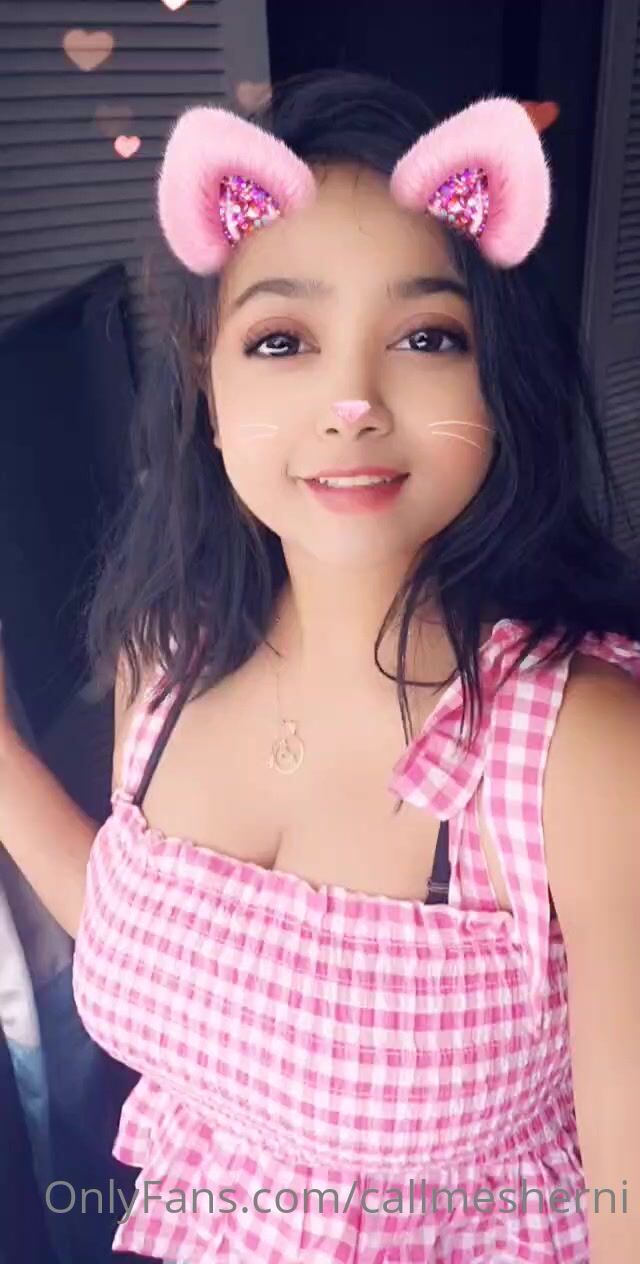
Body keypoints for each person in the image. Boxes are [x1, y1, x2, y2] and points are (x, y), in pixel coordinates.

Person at [1, 67, 640, 1264]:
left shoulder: (582, 749)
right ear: (208, 384)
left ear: (499, 383)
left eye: (426, 336)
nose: (352, 401)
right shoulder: (166, 659)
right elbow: (184, 961)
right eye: (282, 339)